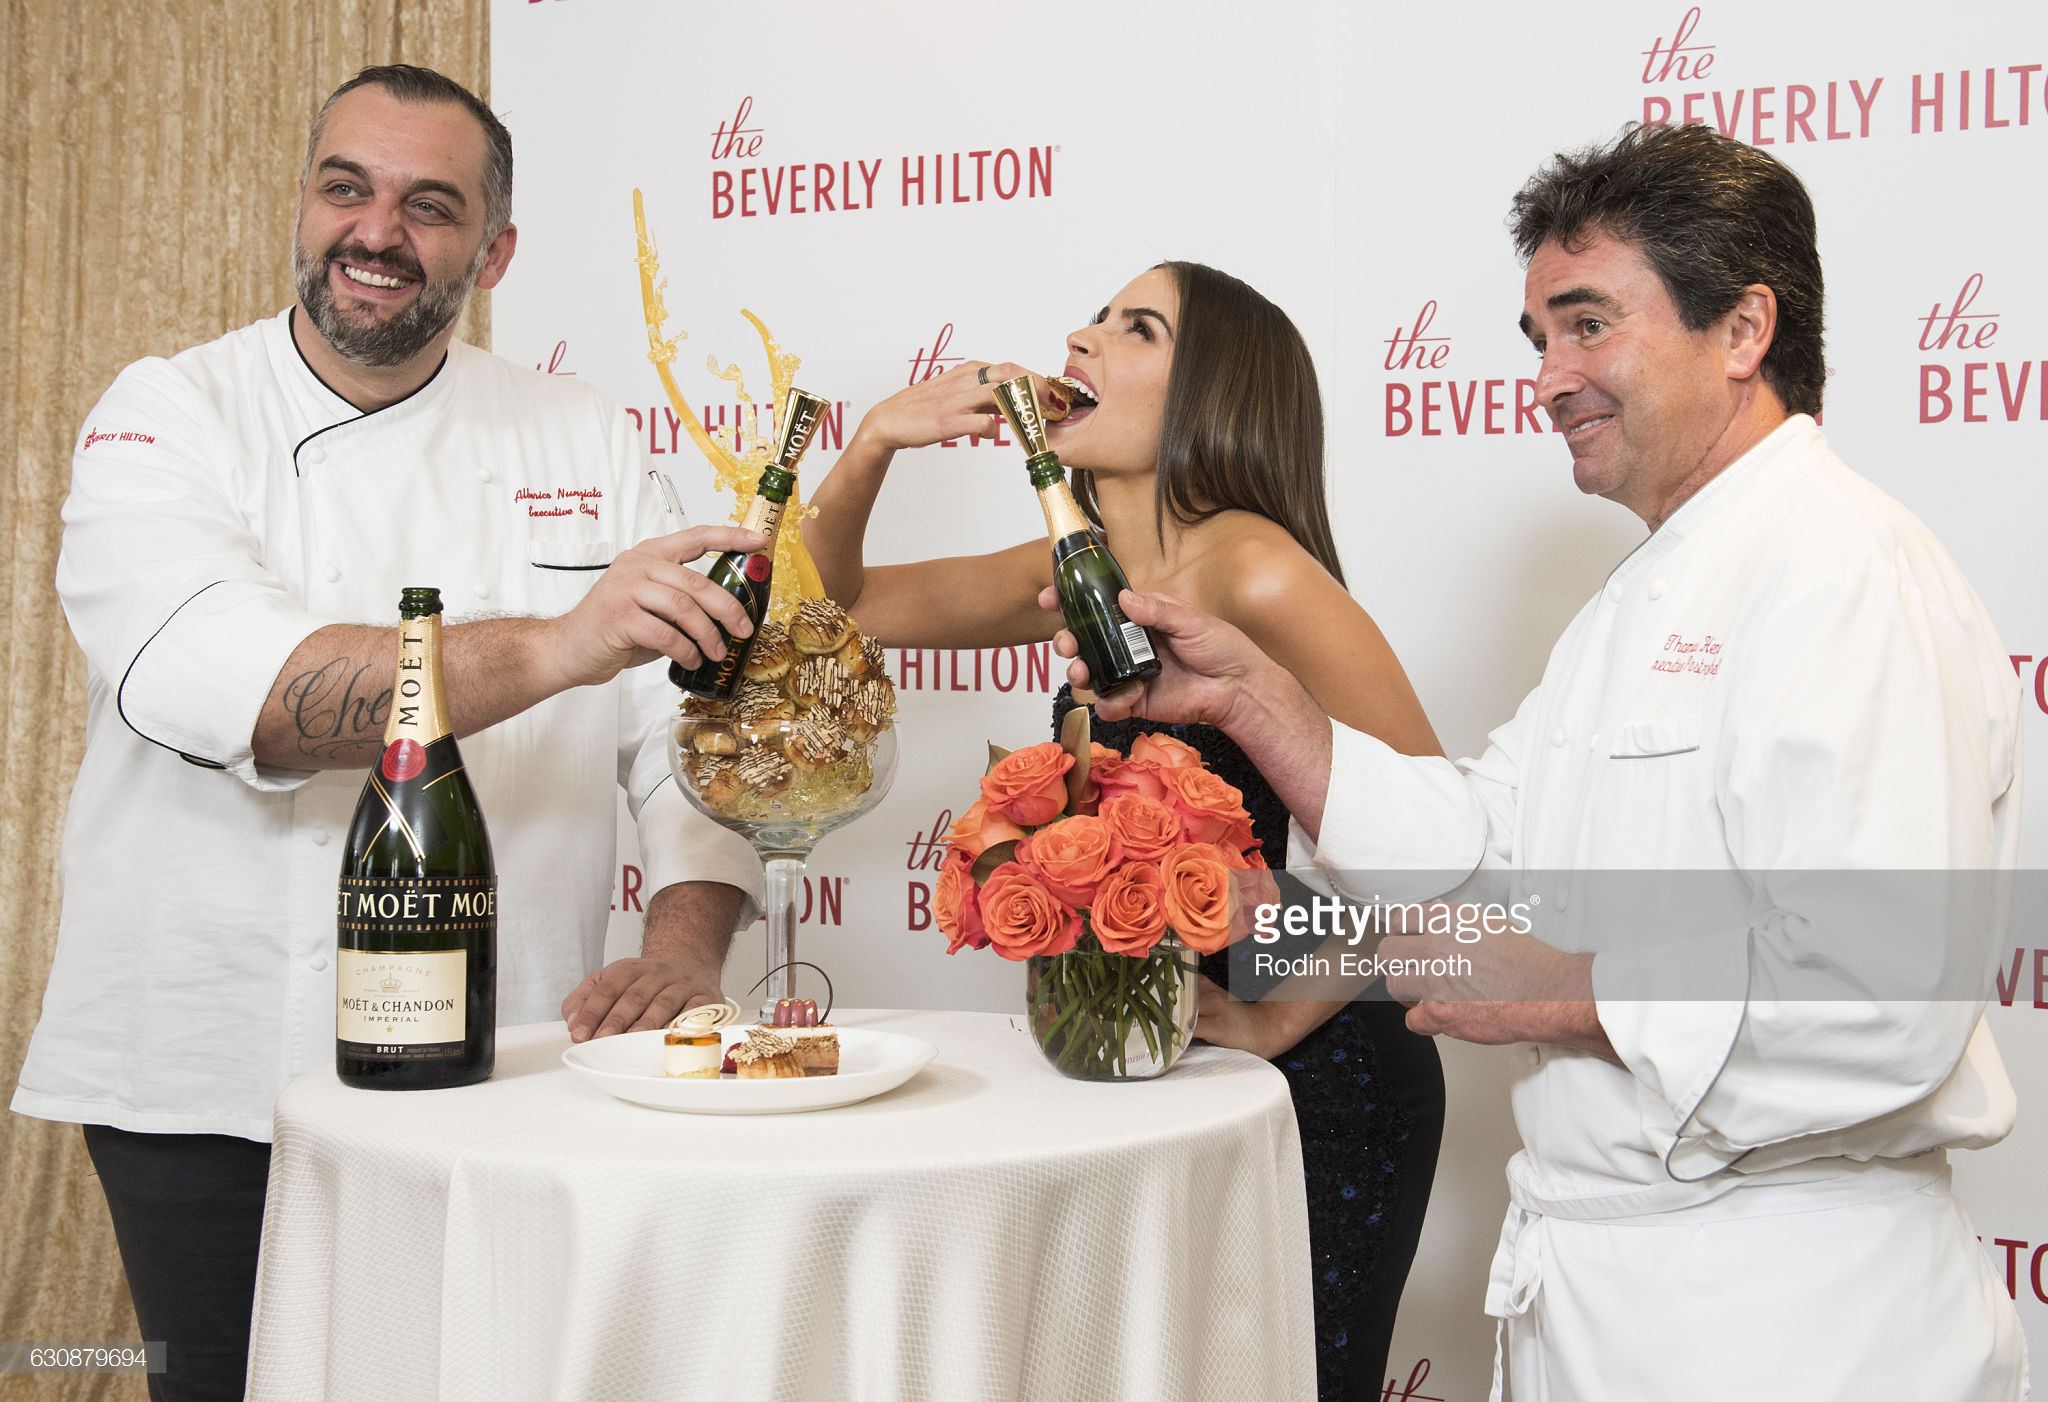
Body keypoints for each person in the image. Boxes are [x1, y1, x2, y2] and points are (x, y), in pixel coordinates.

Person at [1050, 124, 2026, 1400]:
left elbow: (1882, 990)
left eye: (1586, 326)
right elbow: (1483, 845)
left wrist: (1564, 988)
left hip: (1786, 1319)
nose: (1548, 379)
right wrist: (1257, 704)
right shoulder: (1639, 599)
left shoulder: (1842, 572)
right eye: (1537, 340)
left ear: (1742, 329)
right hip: (1605, 1300)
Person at [12, 65, 768, 1401]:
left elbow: (690, 730)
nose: (376, 232)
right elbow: (245, 690)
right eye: (345, 188)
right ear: (302, 204)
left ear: (496, 252)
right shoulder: (165, 413)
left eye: (430, 205)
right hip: (205, 1066)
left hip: (511, 1060)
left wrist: (683, 944)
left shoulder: (584, 437)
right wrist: (562, 641)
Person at [807, 262, 1446, 1398]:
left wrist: (1273, 1019)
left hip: (1323, 1078)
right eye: (1096, 317)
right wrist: (874, 445)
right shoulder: (1079, 561)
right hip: (1165, 1064)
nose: (1081, 338)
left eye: (1135, 328)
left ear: (1211, 393)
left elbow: (1440, 841)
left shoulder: (1257, 569)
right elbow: (831, 604)